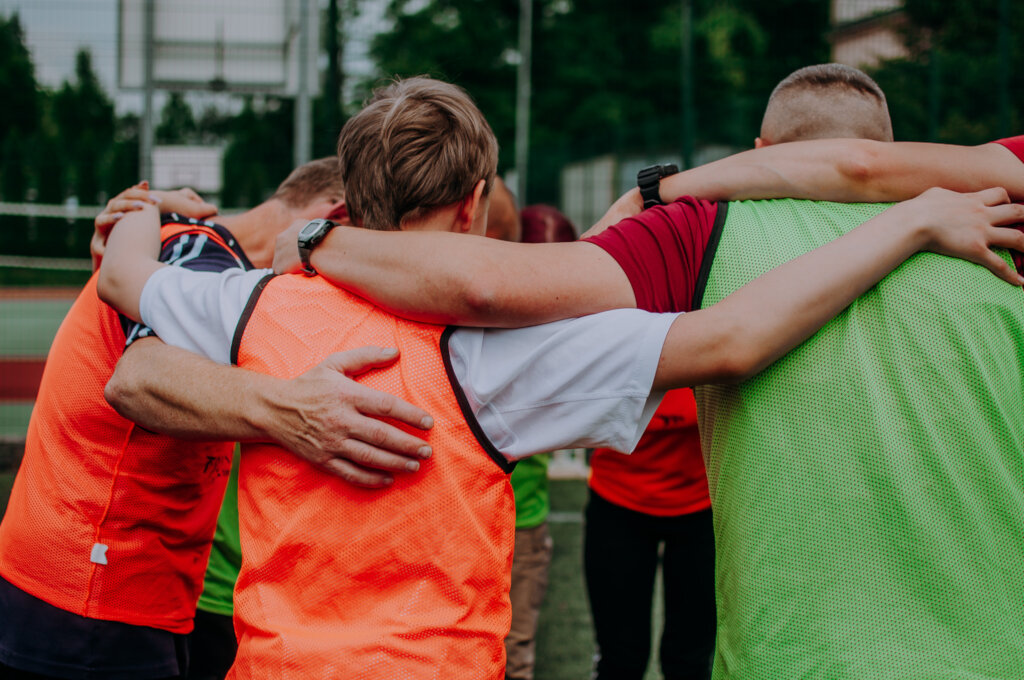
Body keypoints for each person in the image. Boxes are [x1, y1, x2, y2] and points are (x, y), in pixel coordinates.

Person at [93, 76, 1014, 680]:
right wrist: (907, 225)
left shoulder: (258, 306)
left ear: (351, 195)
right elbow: (732, 339)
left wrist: (141, 214)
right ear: (473, 204)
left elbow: (129, 285)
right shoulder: (508, 360)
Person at [0, 159, 435, 680]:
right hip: (92, 596)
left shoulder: (208, 260)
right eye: (361, 251)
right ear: (331, 220)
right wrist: (296, 411)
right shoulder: (200, 255)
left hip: (110, 589)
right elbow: (138, 380)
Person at [584, 62, 892, 680]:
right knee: (626, 658)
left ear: (757, 153)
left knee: (686, 658)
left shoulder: (703, 235)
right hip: (631, 497)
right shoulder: (974, 242)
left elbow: (542, 314)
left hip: (712, 509)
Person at [502, 203, 577, 680]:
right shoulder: (479, 310)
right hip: (468, 515)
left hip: (523, 518)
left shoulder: (571, 326)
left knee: (515, 655)